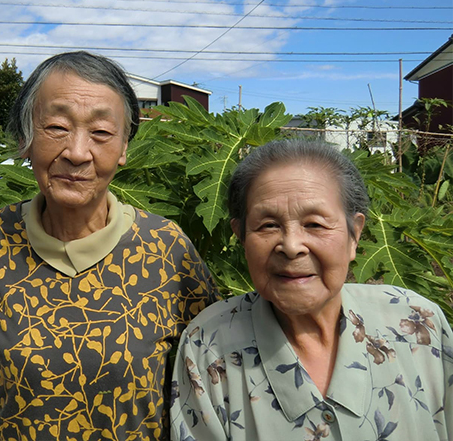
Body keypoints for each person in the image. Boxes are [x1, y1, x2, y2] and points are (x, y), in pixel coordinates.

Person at [0, 51, 220, 440]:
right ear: (27, 139)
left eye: (101, 133)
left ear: (124, 147)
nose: (76, 152)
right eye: (57, 127)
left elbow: (220, 356)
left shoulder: (165, 249)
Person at [170, 139, 453, 441]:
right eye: (267, 225)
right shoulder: (208, 346)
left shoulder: (419, 323)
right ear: (241, 236)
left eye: (315, 224)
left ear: (354, 235)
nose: (291, 247)